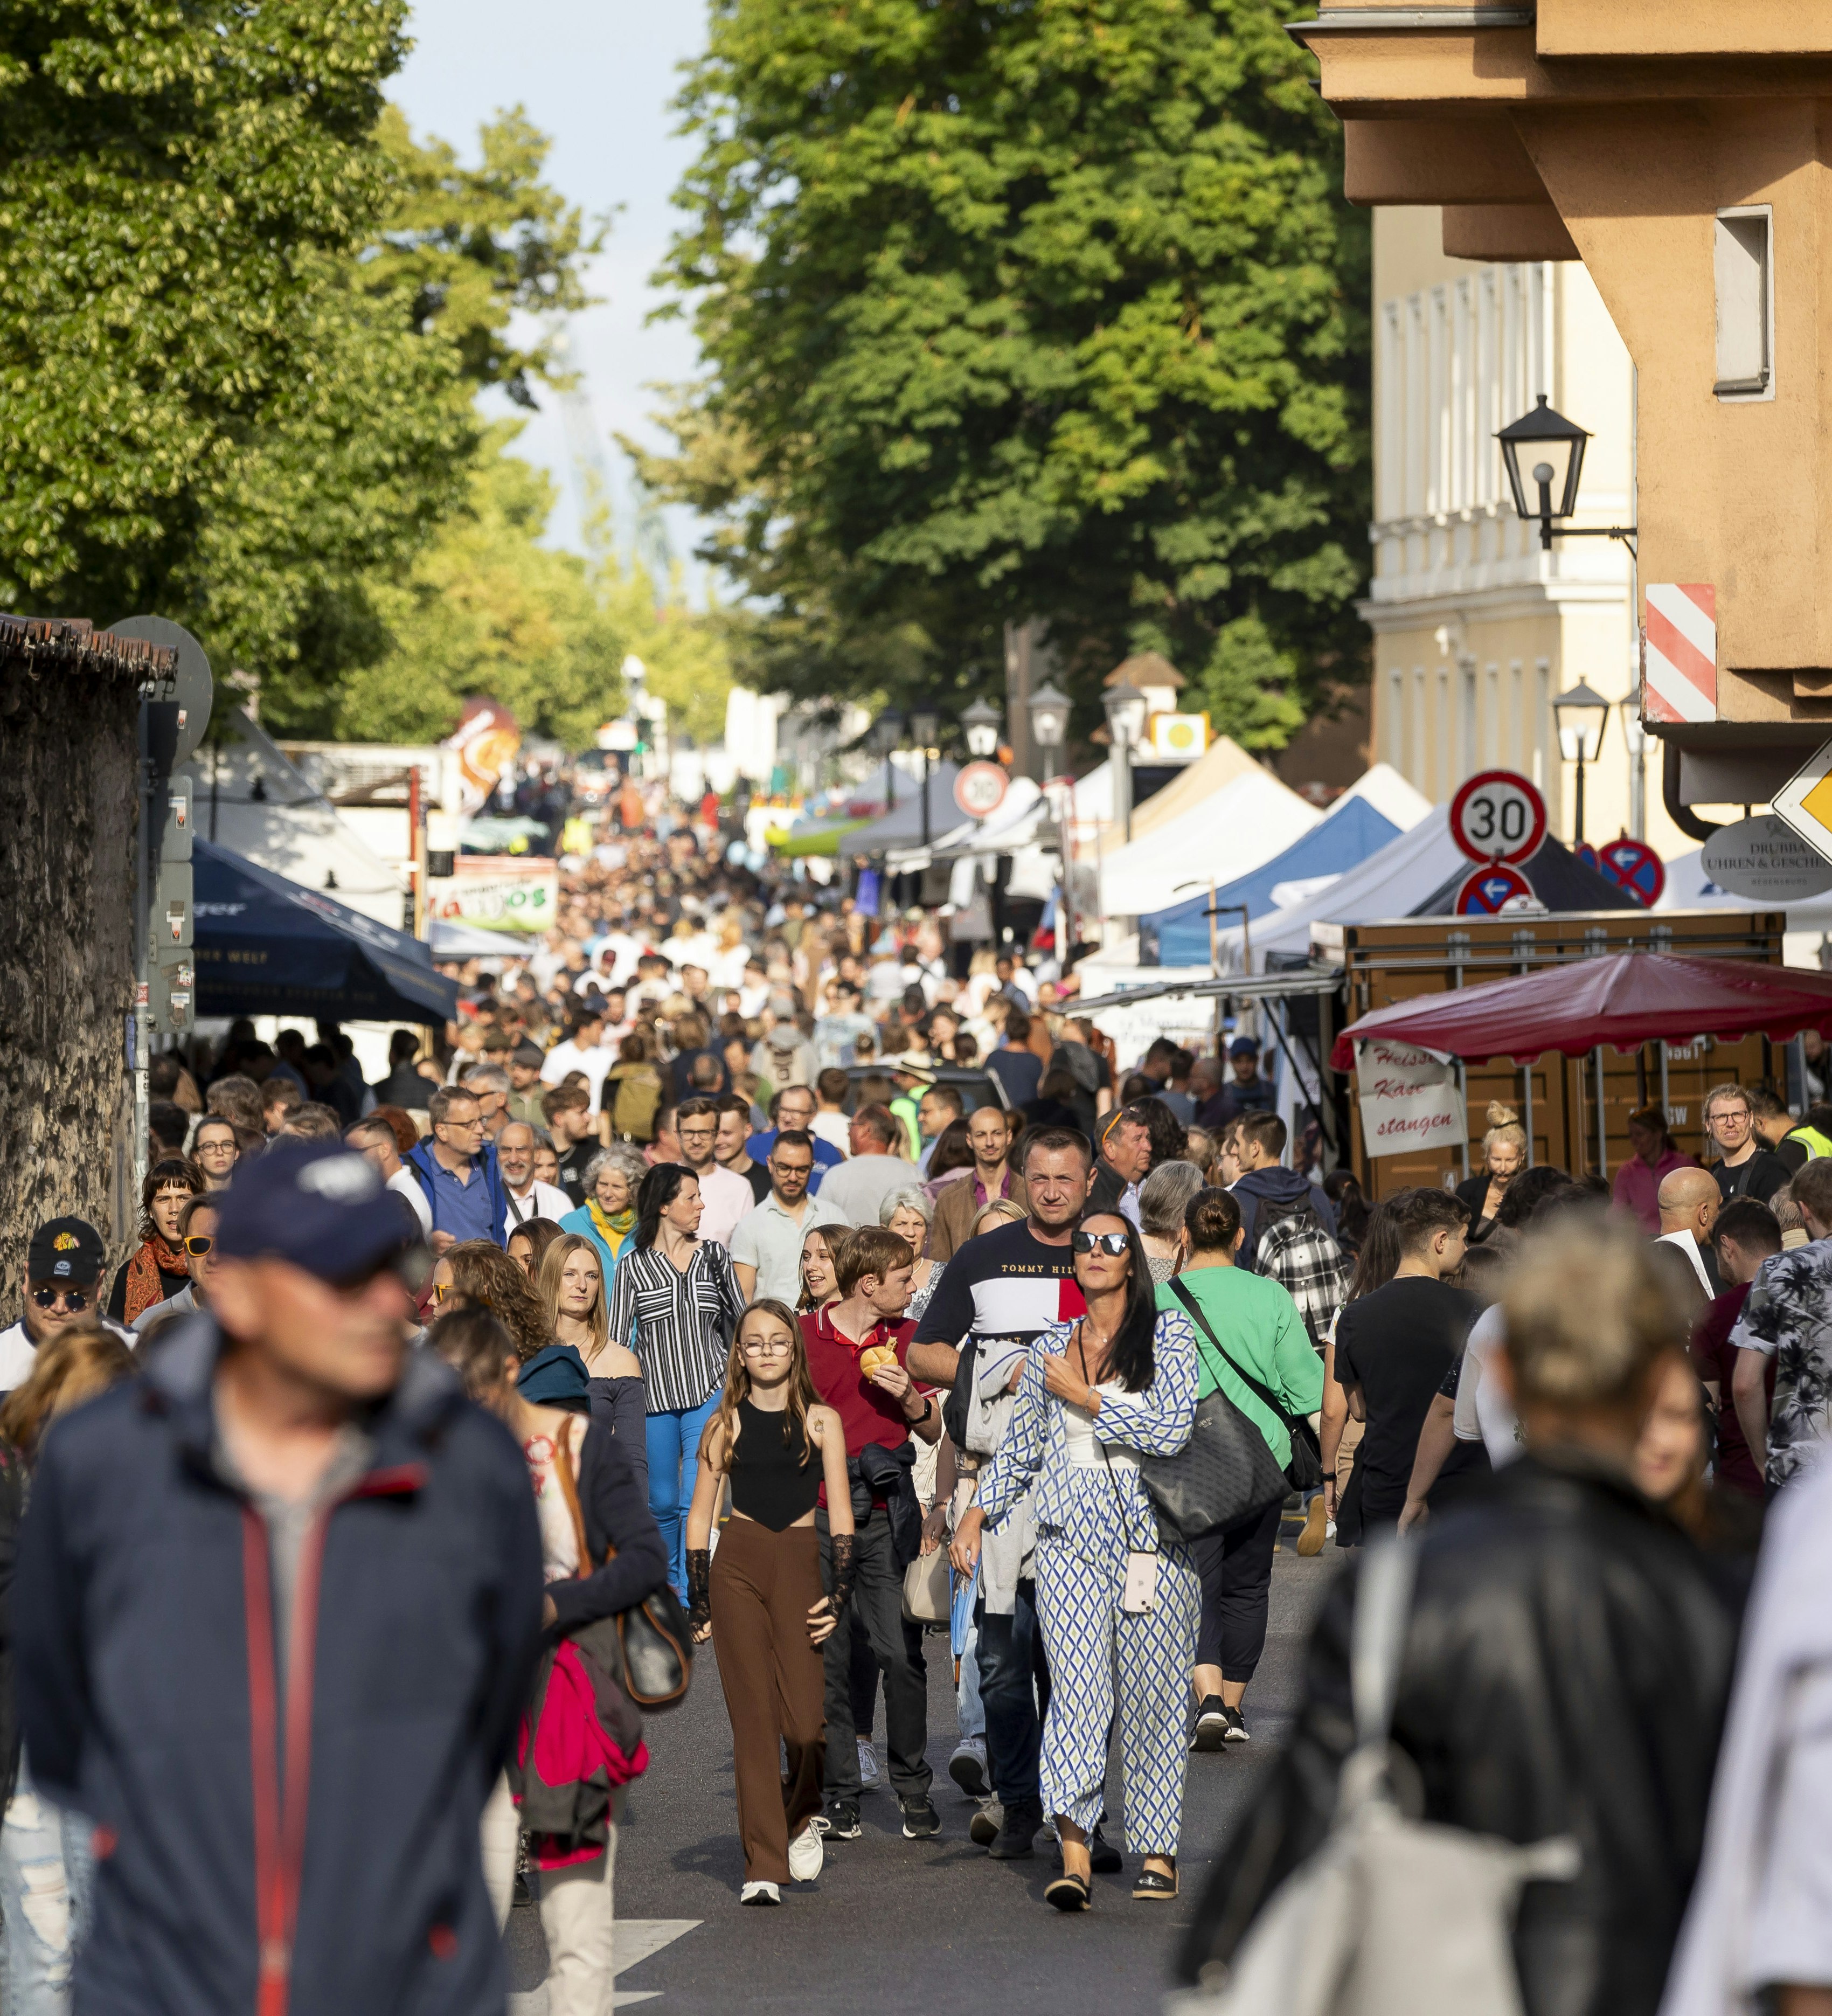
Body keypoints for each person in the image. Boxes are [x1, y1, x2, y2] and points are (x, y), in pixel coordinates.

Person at [15, 1138, 544, 2016]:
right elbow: (61, 1719)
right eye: (343, 1276)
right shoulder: (106, 1463)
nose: (388, 1300)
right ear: (247, 1293)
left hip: (410, 1984)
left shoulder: (469, 1466)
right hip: (163, 1983)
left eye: (394, 1267)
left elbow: (490, 1709)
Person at [1181, 1214, 1739, 2016]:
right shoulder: (1725, 1581)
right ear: (1661, 1377)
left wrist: (1213, 1965)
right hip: (1675, 1971)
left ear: (1504, 1368)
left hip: (1466, 1975)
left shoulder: (1402, 1592)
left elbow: (1295, 1824)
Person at [952, 1207, 1200, 1909]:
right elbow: (1020, 1449)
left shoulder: (1170, 1335)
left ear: (1131, 1259)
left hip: (1152, 1543)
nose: (1095, 1249)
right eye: (1086, 1242)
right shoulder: (1052, 1345)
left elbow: (1172, 1430)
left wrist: (1087, 1398)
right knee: (1078, 1698)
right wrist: (974, 1516)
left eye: (1111, 1241)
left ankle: (1158, 1852)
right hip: (1067, 1544)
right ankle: (1075, 1857)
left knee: (1152, 1702)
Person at [427, 1307, 665, 2013]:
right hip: (470, 1715)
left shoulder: (579, 1446)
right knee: (461, 1929)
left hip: (570, 1700)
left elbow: (646, 1558)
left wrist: (559, 1603)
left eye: (474, 1392)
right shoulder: (433, 1459)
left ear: (509, 1373)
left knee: (576, 1929)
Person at [911, 1128, 1094, 1860]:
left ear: (1088, 1182)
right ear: (1022, 1179)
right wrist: (992, 1369)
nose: (1051, 1191)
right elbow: (923, 1349)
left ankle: (1078, 1814)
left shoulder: (1110, 1254)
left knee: (1080, 1666)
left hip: (1087, 1479)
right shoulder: (982, 1255)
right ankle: (1019, 1805)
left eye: (1064, 1179)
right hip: (998, 1487)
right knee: (1003, 1660)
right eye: (1039, 1178)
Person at [683, 1301, 855, 1904]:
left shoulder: (823, 1421)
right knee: (753, 1721)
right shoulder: (723, 1424)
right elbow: (699, 1515)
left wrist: (839, 1591)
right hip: (737, 1566)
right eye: (753, 1342)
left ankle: (800, 1816)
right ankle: (763, 1863)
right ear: (739, 1354)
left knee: (806, 1727)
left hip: (801, 1565)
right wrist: (698, 1598)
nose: (765, 1351)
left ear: (794, 1349)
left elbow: (841, 1515)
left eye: (778, 1341)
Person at [0, 1320, 137, 2012]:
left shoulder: (142, 1493)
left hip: (114, 1755)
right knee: (43, 1960)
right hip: (30, 1755)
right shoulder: (13, 1482)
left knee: (99, 1947)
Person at [1160, 1186, 1321, 1750]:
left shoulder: (1159, 1299)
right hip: (1264, 1458)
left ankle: (1205, 1698)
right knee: (1249, 1585)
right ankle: (1231, 1707)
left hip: (1187, 1459)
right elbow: (1305, 1388)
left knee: (1194, 1582)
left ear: (1184, 1234)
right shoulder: (1269, 1296)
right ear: (1240, 1236)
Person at [800, 1225, 942, 1844]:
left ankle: (913, 1787)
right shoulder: (805, 1336)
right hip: (817, 1513)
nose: (913, 1288)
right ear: (868, 1283)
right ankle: (840, 1797)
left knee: (899, 1654)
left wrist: (909, 1398)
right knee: (829, 1657)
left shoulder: (907, 1338)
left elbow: (933, 1430)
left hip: (885, 1510)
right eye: (904, 1279)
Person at [603, 1163, 744, 1594]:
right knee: (661, 1501)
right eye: (691, 1197)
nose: (701, 1205)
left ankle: (690, 1591)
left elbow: (741, 1324)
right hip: (653, 1399)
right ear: (664, 1206)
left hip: (709, 1392)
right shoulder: (632, 1266)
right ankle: (666, 1585)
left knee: (694, 1499)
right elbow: (616, 1338)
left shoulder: (715, 1256)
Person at [1330, 1187, 1484, 1536]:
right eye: (1463, 1239)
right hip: (1459, 1483)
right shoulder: (1475, 1308)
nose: (1466, 1248)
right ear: (1441, 1241)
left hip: (1388, 1481)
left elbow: (1358, 1409)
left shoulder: (1354, 1316)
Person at [1727, 1155, 1832, 1492]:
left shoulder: (1779, 1271)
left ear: (1804, 1210)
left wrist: (1763, 1461)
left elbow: (1745, 1383)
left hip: (1800, 1467)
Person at [1687, 1198, 1779, 1506]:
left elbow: (1705, 1408)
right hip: (1810, 1482)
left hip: (1742, 1486)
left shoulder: (1714, 1316)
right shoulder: (1806, 1300)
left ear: (1728, 1247)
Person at [731, 1131, 848, 1305]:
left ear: (812, 1166)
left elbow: (848, 1280)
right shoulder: (750, 1225)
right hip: (775, 1321)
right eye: (784, 1168)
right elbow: (743, 1299)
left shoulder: (834, 1216)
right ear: (770, 1164)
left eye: (801, 1170)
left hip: (827, 1320)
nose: (793, 1177)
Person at [0, 1220, 119, 1391]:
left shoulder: (135, 1354)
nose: (59, 1308)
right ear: (26, 1279)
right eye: (45, 1295)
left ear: (99, 1285)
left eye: (76, 1298)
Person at [393, 1086, 508, 1254]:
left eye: (480, 1121)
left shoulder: (489, 1163)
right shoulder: (411, 1171)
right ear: (442, 1131)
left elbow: (500, 1232)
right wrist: (425, 1242)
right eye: (469, 1124)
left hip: (489, 1269)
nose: (480, 1130)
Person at [1227, 1111, 1337, 1270]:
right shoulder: (1317, 1196)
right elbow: (1333, 1255)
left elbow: (1235, 1267)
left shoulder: (1237, 1201)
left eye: (1238, 1143)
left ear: (1255, 1148)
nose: (1234, 1150)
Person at [105, 1157, 204, 1324]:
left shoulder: (212, 1265)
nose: (174, 1209)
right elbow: (115, 1337)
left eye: (183, 1198)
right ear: (150, 1210)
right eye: (164, 1199)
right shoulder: (127, 1274)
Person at [929, 1103, 1027, 1263]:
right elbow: (939, 1262)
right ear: (969, 1140)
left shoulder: (1030, 1192)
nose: (989, 1142)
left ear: (1009, 1137)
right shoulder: (949, 1198)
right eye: (981, 1135)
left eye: (996, 1133)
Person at [558, 1144, 647, 1285]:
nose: (608, 1194)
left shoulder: (647, 1227)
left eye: (617, 1187)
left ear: (633, 1190)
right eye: (603, 1184)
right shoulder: (570, 1224)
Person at [674, 1096, 755, 1247]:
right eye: (689, 1132)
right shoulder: (659, 1180)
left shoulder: (739, 1187)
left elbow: (745, 1250)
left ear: (716, 1135)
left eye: (704, 1132)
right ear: (677, 1135)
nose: (696, 1141)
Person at [130, 1195, 219, 1333]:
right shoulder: (149, 1327)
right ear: (185, 1253)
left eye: (225, 1244)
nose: (214, 1257)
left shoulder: (258, 1322)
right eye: (199, 1244)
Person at [814, 1104, 912, 1226]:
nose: (848, 1133)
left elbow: (819, 1223)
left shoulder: (837, 1175)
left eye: (851, 1125)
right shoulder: (912, 1174)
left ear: (866, 1130)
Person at [1703, 1081, 1791, 1206]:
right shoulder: (1713, 1174)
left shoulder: (1770, 1170)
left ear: (1751, 1119)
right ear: (1708, 1125)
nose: (1730, 1123)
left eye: (1738, 1115)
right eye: (1721, 1117)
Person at [1614, 1103, 1695, 1234]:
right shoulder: (1627, 1172)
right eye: (1631, 1135)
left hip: (1680, 1242)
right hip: (1644, 1245)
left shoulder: (1684, 1165)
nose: (1634, 1140)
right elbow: (1618, 1216)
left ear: (1658, 1134)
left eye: (1640, 1134)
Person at [745, 1084, 844, 1188]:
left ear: (812, 1116)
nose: (788, 1119)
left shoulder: (829, 1154)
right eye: (783, 1110)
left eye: (796, 1112)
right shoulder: (754, 1146)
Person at [1454, 1103, 1526, 1238]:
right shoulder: (1468, 1192)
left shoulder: (1531, 1195)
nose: (1503, 1168)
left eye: (1510, 1160)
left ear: (1521, 1157)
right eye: (1497, 1160)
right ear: (1487, 1156)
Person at [498, 1120, 574, 1238]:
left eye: (521, 1150)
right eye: (506, 1150)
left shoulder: (559, 1201)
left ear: (536, 1154)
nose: (513, 1160)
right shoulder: (487, 1200)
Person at [1657, 1165, 1721, 1302]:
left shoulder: (1636, 1261)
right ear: (1704, 1214)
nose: (1720, 1213)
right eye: (1718, 1206)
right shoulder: (1718, 1266)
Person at [880, 1187, 942, 1322]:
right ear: (884, 1231)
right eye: (902, 1224)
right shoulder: (872, 1274)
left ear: (926, 1234)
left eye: (918, 1224)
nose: (911, 1232)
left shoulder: (946, 1276)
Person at [1139, 1160, 1205, 1284]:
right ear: (1178, 1204)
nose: (1204, 1206)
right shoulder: (1135, 1249)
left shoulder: (1198, 1251)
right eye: (1199, 1199)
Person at [540, 1006, 615, 1114]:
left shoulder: (609, 1057)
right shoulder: (557, 1055)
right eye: (599, 1028)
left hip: (598, 1118)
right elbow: (548, 1088)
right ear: (583, 1030)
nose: (602, 1032)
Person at [1088, 1105, 1152, 1226]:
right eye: (1138, 1139)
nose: (1148, 1147)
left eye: (1148, 1138)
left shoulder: (1157, 1184)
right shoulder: (1091, 1194)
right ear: (1110, 1149)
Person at [542, 1084, 599, 1205]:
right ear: (559, 1119)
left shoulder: (596, 1153)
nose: (588, 1118)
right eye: (581, 1113)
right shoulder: (536, 1153)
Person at [715, 1092, 772, 1205]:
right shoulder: (701, 1181)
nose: (718, 1141)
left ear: (747, 1131)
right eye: (714, 1133)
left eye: (727, 1133)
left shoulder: (769, 1181)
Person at [986, 1010, 1045, 1109]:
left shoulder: (994, 1057)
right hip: (1026, 1113)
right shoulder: (1034, 1061)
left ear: (1007, 1031)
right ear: (1028, 1032)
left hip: (999, 1112)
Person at [190, 1114, 240, 1193]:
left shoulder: (251, 1195)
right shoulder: (186, 1196)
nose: (220, 1153)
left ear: (237, 1152)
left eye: (227, 1145)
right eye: (209, 1146)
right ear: (197, 1157)